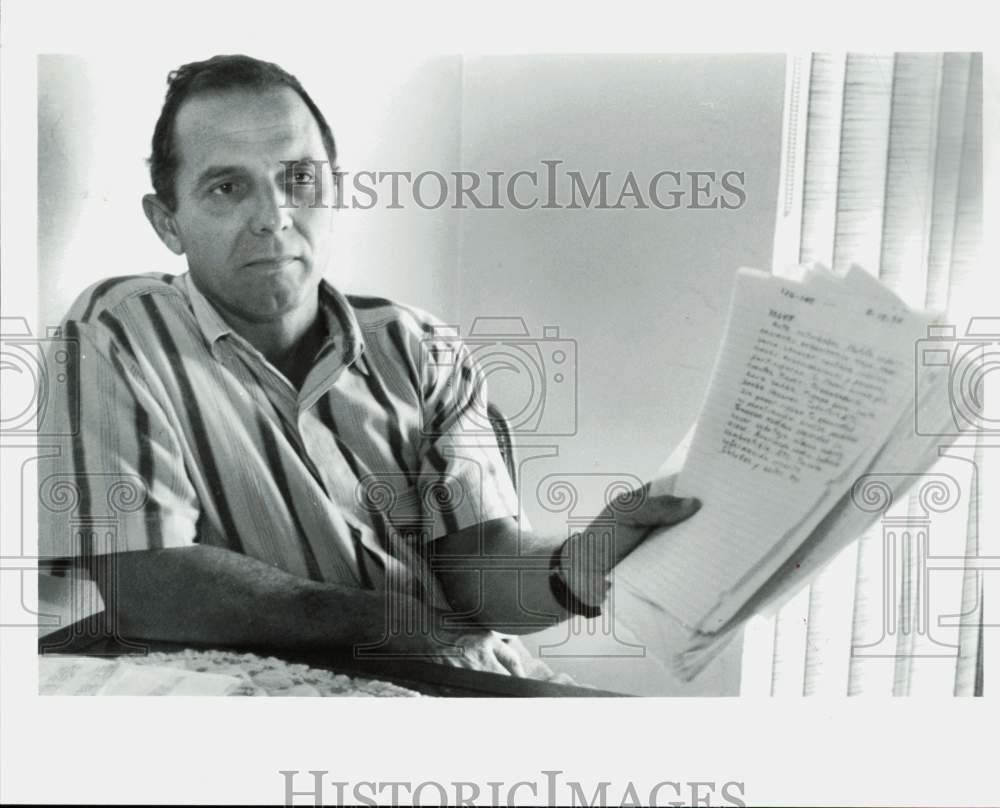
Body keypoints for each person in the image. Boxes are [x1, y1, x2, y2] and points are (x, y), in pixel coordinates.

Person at [38, 54, 701, 678]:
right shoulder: (115, 332)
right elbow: (149, 590)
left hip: (471, 683)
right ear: (167, 223)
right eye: (227, 187)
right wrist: (391, 623)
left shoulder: (422, 347)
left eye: (299, 178)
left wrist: (571, 568)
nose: (274, 217)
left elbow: (478, 568)